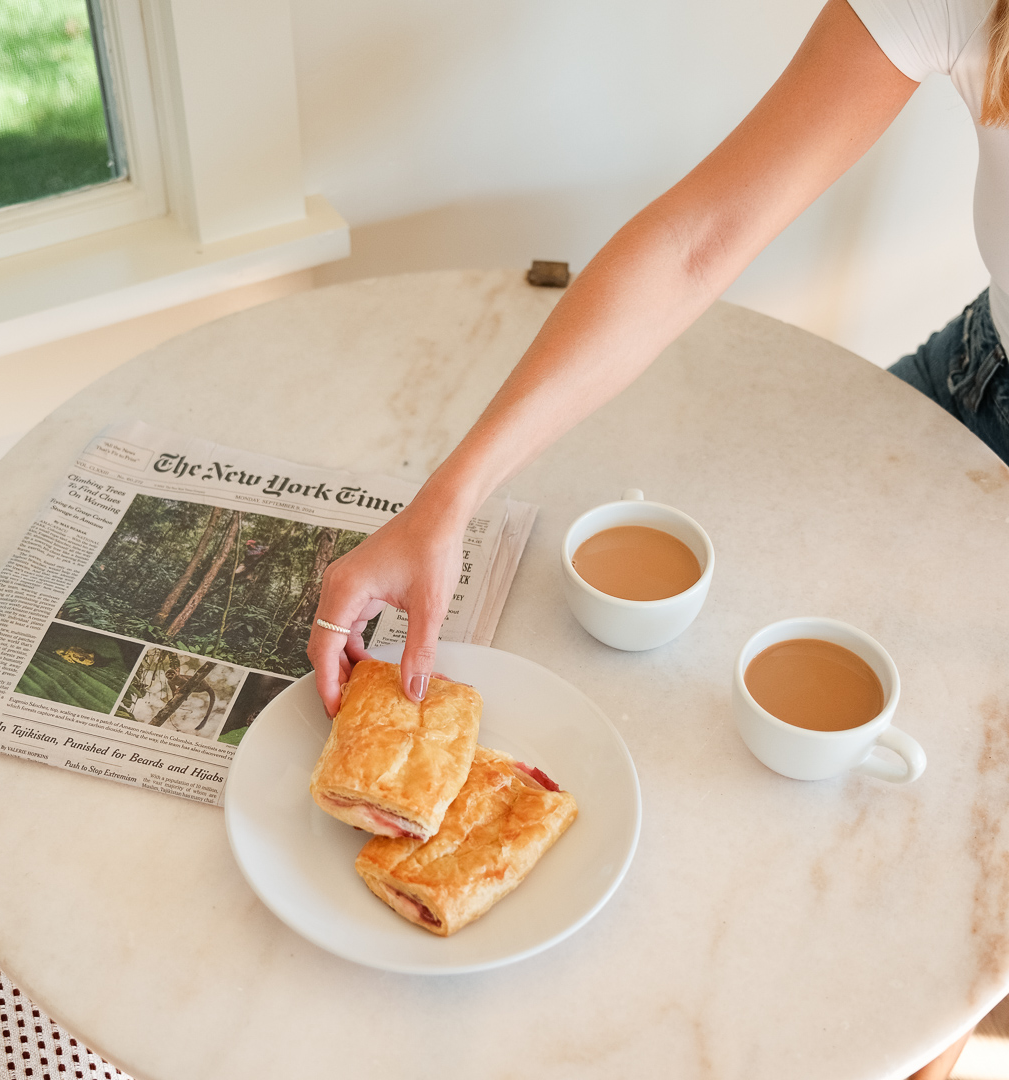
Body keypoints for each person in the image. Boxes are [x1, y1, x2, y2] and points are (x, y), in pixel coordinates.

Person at [308, 3, 1008, 1075]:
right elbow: (698, 241)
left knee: (917, 936)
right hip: (974, 393)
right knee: (725, 804)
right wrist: (449, 497)